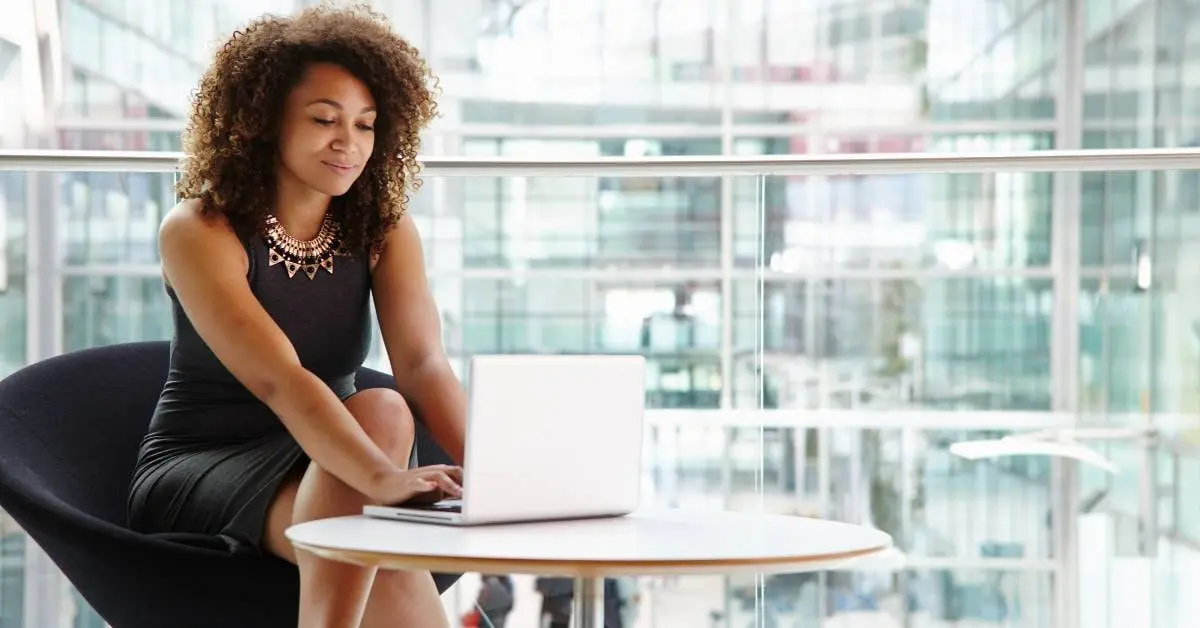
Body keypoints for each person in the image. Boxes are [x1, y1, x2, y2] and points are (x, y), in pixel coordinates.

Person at [125, 5, 466, 627]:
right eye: (323, 119)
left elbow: (421, 363)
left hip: (335, 459)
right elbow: (278, 378)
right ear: (262, 123)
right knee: (374, 479)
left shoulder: (381, 229)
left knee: (383, 411)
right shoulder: (201, 229)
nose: (349, 142)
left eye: (366, 125)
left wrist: (506, 481)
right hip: (206, 463)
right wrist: (383, 478)